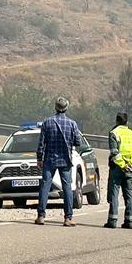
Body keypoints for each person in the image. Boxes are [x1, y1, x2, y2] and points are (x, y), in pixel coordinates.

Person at [35, 97, 83, 227]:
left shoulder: (47, 122)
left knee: (45, 186)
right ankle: (68, 218)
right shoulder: (72, 124)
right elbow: (78, 142)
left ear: (56, 107)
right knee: (67, 187)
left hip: (49, 159)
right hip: (65, 159)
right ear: (66, 108)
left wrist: (39, 158)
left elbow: (41, 144)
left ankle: (41, 216)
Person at [105, 112, 132, 229]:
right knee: (129, 194)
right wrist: (130, 164)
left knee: (114, 194)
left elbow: (114, 152)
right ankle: (129, 222)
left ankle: (112, 221)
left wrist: (122, 165)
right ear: (127, 122)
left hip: (117, 168)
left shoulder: (114, 133)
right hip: (129, 168)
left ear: (117, 121)